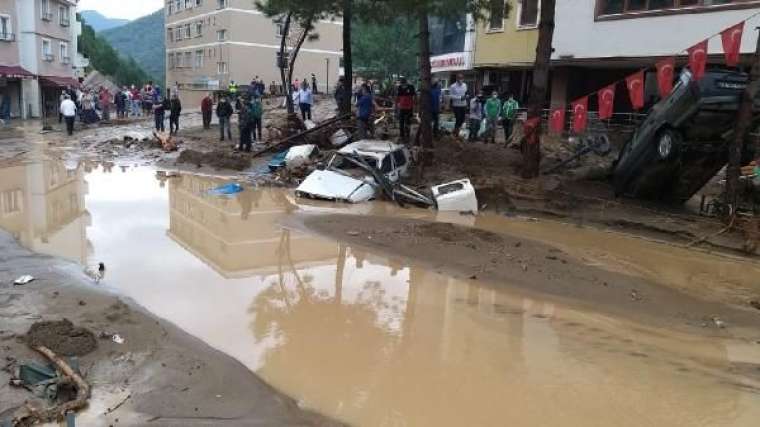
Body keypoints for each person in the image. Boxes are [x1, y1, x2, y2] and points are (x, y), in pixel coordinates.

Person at [396, 76, 415, 142]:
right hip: (402, 107)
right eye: (402, 84)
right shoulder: (399, 88)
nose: (402, 85)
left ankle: (407, 135)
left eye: (403, 84)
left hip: (409, 107)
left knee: (408, 122)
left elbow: (414, 97)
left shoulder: (411, 87)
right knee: (401, 122)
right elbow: (398, 97)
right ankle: (402, 135)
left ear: (406, 83)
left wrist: (415, 106)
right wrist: (396, 105)